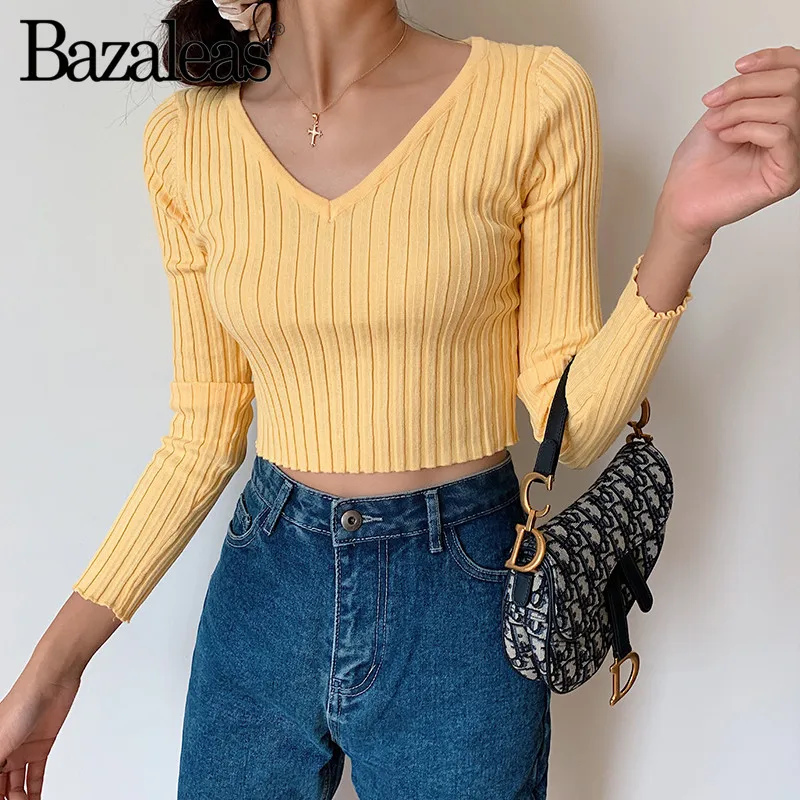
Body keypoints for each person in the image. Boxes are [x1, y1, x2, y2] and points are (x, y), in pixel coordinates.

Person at [2, 0, 798, 796]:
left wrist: (682, 231)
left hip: (464, 594)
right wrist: (51, 671)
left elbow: (574, 426)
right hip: (265, 585)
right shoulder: (186, 140)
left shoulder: (532, 95)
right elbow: (201, 438)